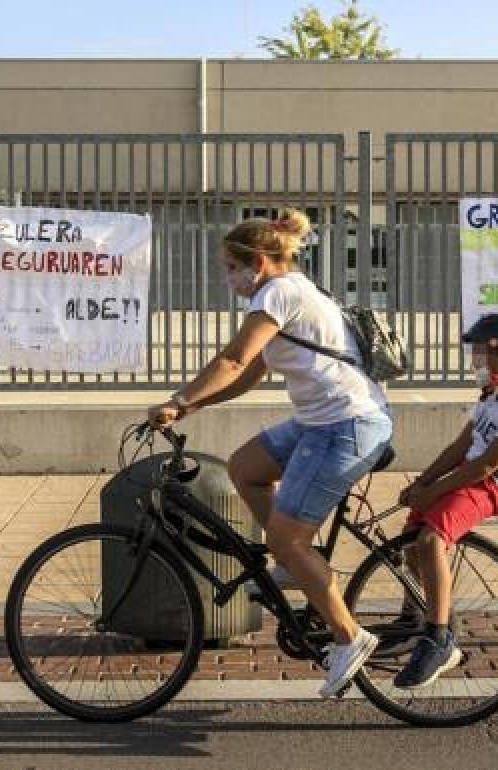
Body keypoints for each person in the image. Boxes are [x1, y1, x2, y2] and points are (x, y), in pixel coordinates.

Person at [148, 208, 394, 698]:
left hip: (346, 425)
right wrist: (192, 407)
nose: (228, 278)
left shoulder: (278, 293)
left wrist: (178, 399)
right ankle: (290, 561)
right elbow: (250, 373)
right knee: (245, 467)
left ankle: (349, 637)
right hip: (319, 421)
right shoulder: (288, 291)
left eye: (231, 268)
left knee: (289, 538)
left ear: (258, 262)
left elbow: (233, 358)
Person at [392, 312, 498, 689]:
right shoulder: (493, 395)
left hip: (493, 485)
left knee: (432, 540)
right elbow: (461, 446)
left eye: (485, 353)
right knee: (411, 543)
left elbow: (486, 465)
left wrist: (434, 492)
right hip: (471, 472)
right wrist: (424, 481)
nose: (478, 360)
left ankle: (439, 637)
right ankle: (412, 616)